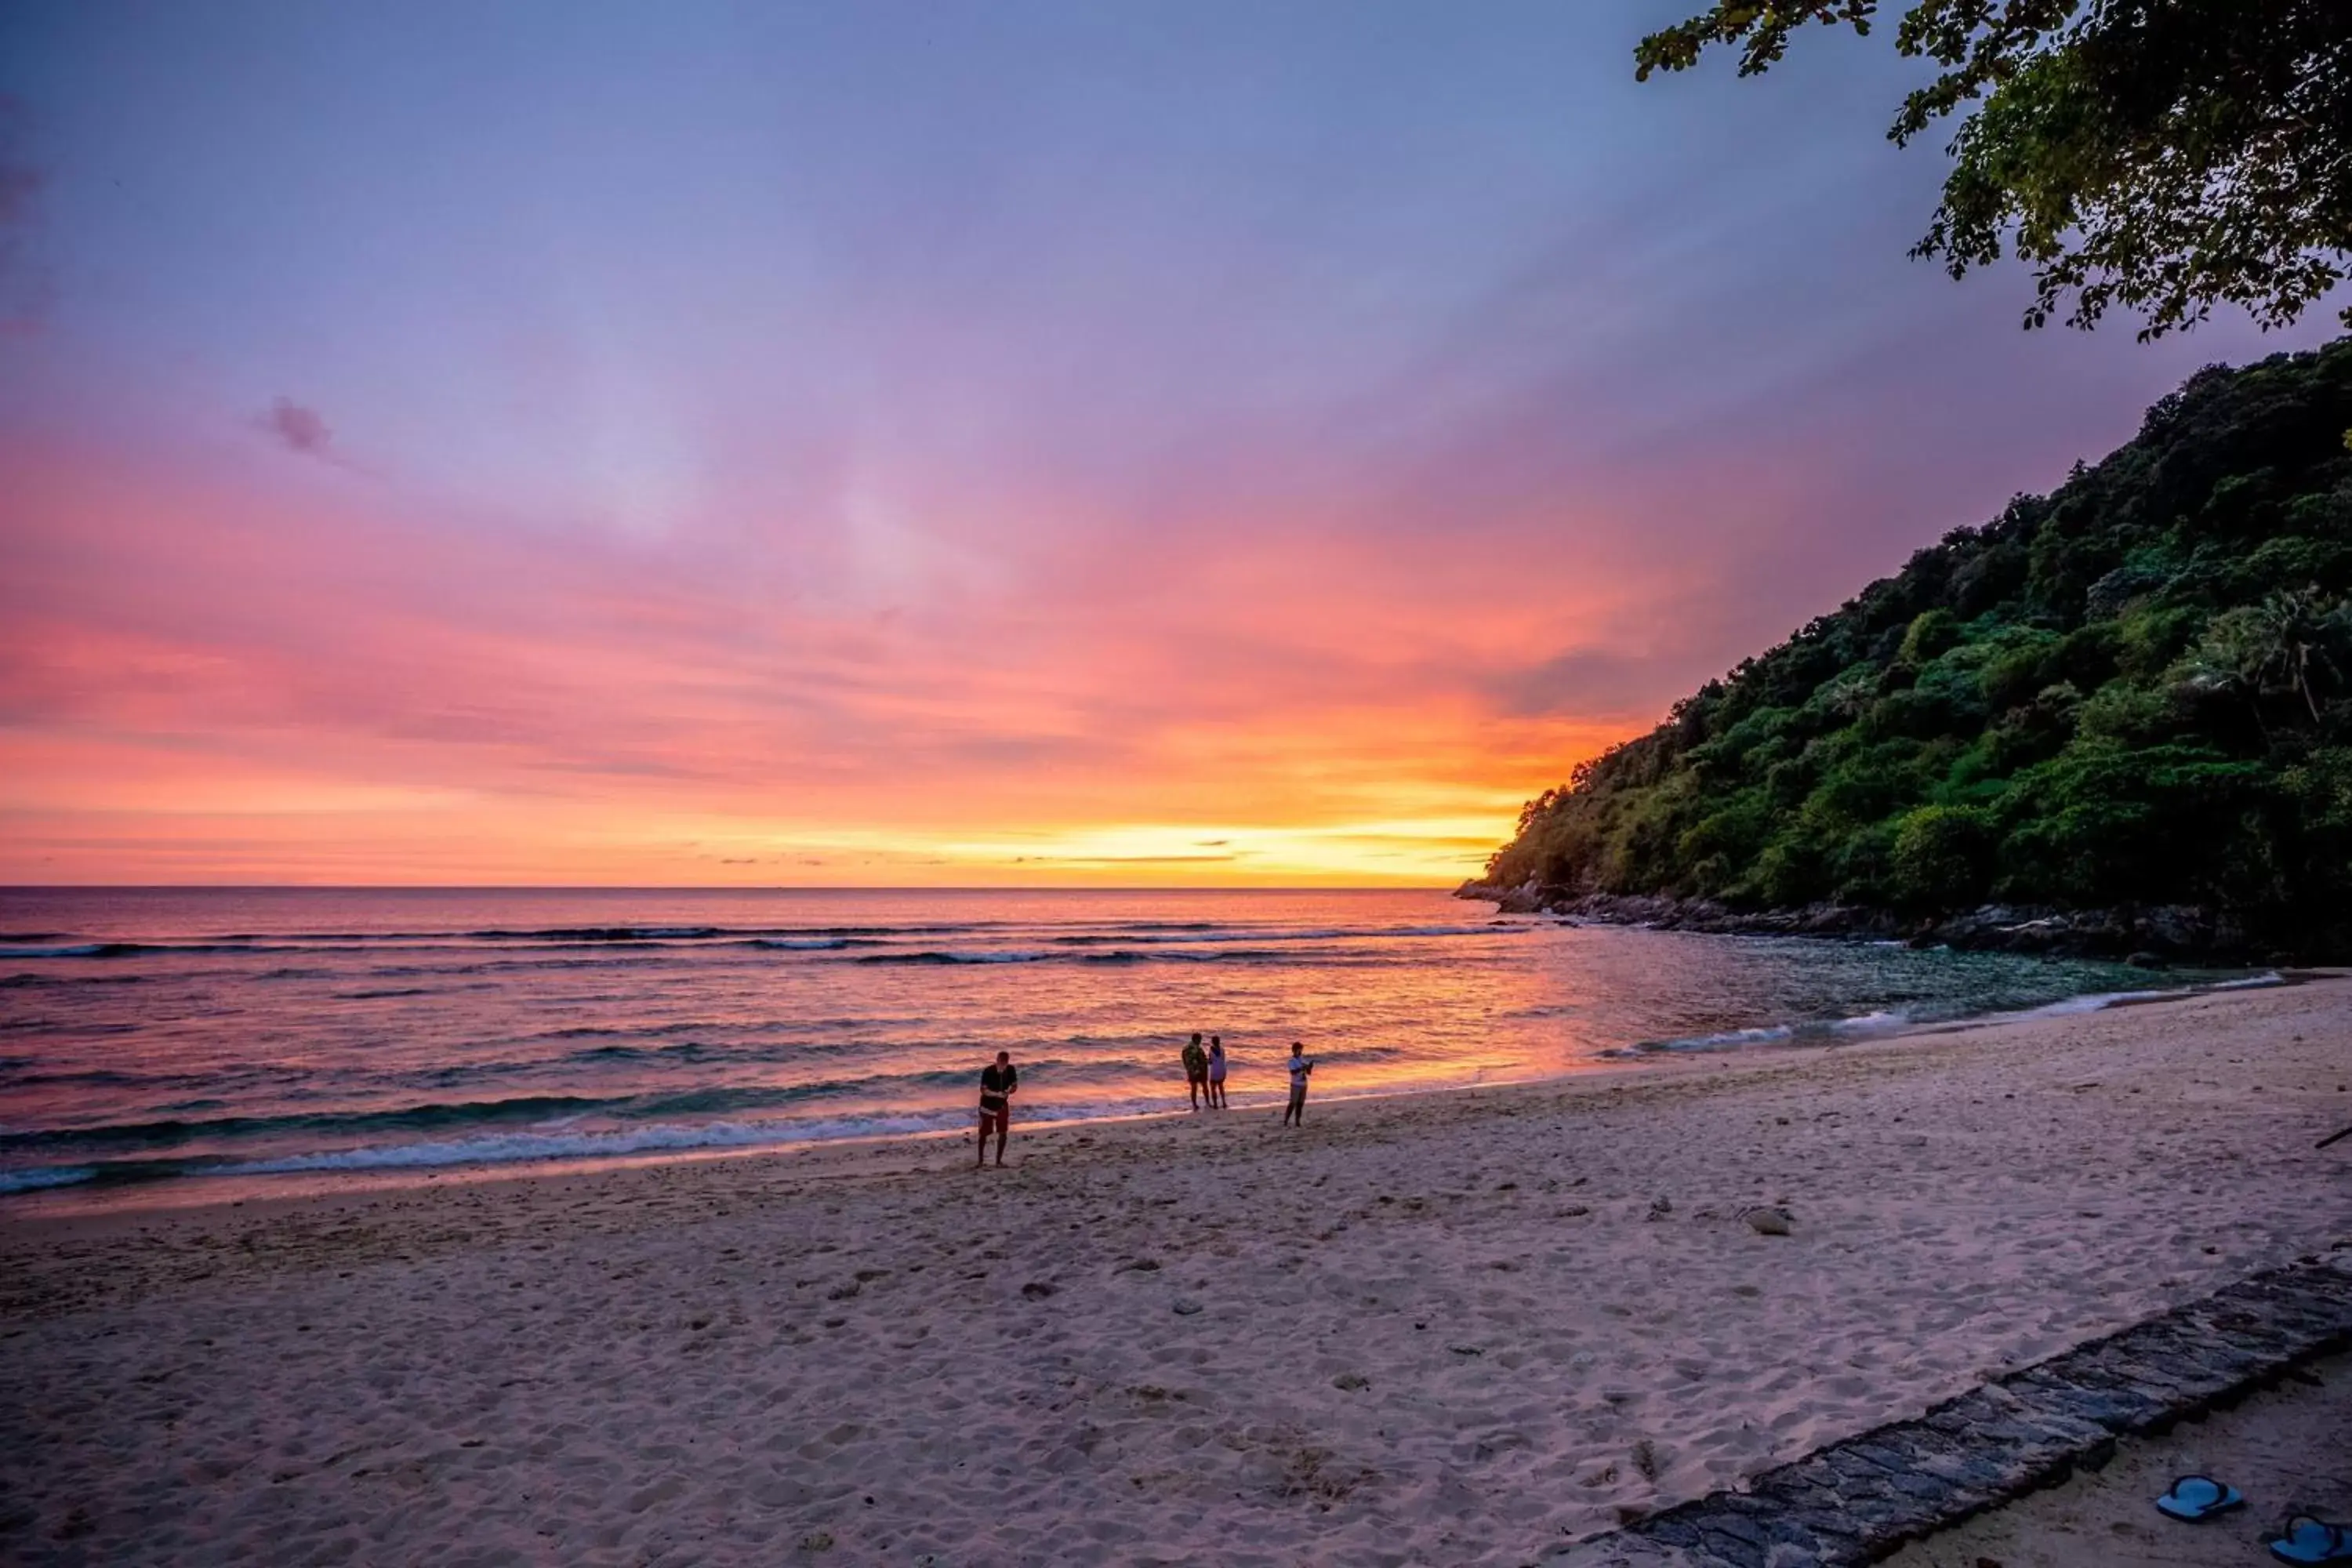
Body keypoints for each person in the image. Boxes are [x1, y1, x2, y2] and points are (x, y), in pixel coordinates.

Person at [977, 1050, 1018, 1167]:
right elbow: (983, 1090)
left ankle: (998, 1161)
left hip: (1002, 1105)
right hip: (987, 1105)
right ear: (997, 1061)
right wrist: (997, 1094)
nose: (1002, 1065)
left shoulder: (1011, 1070)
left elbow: (1015, 1086)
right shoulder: (988, 1071)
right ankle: (980, 1161)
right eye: (1000, 1062)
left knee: (1003, 1132)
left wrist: (1009, 1091)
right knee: (984, 1133)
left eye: (1004, 1063)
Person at [1282, 1040, 1313, 1127]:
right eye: (1299, 1050)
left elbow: (1309, 1073)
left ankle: (1297, 1121)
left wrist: (1309, 1067)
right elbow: (1293, 1072)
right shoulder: (1291, 1061)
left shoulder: (1302, 1059)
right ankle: (1286, 1120)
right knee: (1293, 1103)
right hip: (1295, 1084)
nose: (1300, 1052)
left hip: (1303, 1084)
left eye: (1301, 1050)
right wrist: (1302, 1068)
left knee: (1300, 1104)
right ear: (1294, 1050)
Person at [1181, 1032, 1209, 1111]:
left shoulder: (1186, 1048)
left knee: (1194, 1088)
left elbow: (1184, 1060)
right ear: (1196, 1039)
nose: (1200, 1041)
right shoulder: (1196, 1048)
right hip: (1198, 1069)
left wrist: (1188, 1068)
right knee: (1204, 1086)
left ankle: (1195, 1105)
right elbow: (1198, 1059)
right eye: (1200, 1040)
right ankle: (1207, 1103)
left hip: (1191, 1070)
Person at [1206, 1036, 1228, 1109]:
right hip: (1222, 1069)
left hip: (1215, 1070)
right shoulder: (1222, 1049)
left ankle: (1215, 1105)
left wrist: (1205, 1061)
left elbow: (1210, 1061)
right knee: (1221, 1086)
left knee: (1213, 1088)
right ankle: (1224, 1103)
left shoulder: (1211, 1049)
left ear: (1212, 1042)